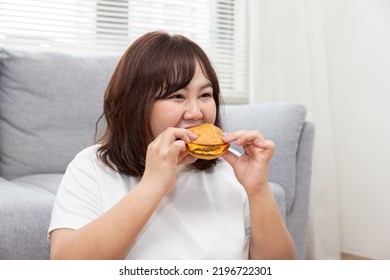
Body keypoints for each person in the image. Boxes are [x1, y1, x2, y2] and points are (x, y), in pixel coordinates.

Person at [48, 31, 296, 260]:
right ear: (135, 104)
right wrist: (153, 185)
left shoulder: (230, 171)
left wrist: (258, 190)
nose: (196, 112)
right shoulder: (92, 167)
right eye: (177, 96)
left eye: (205, 95)